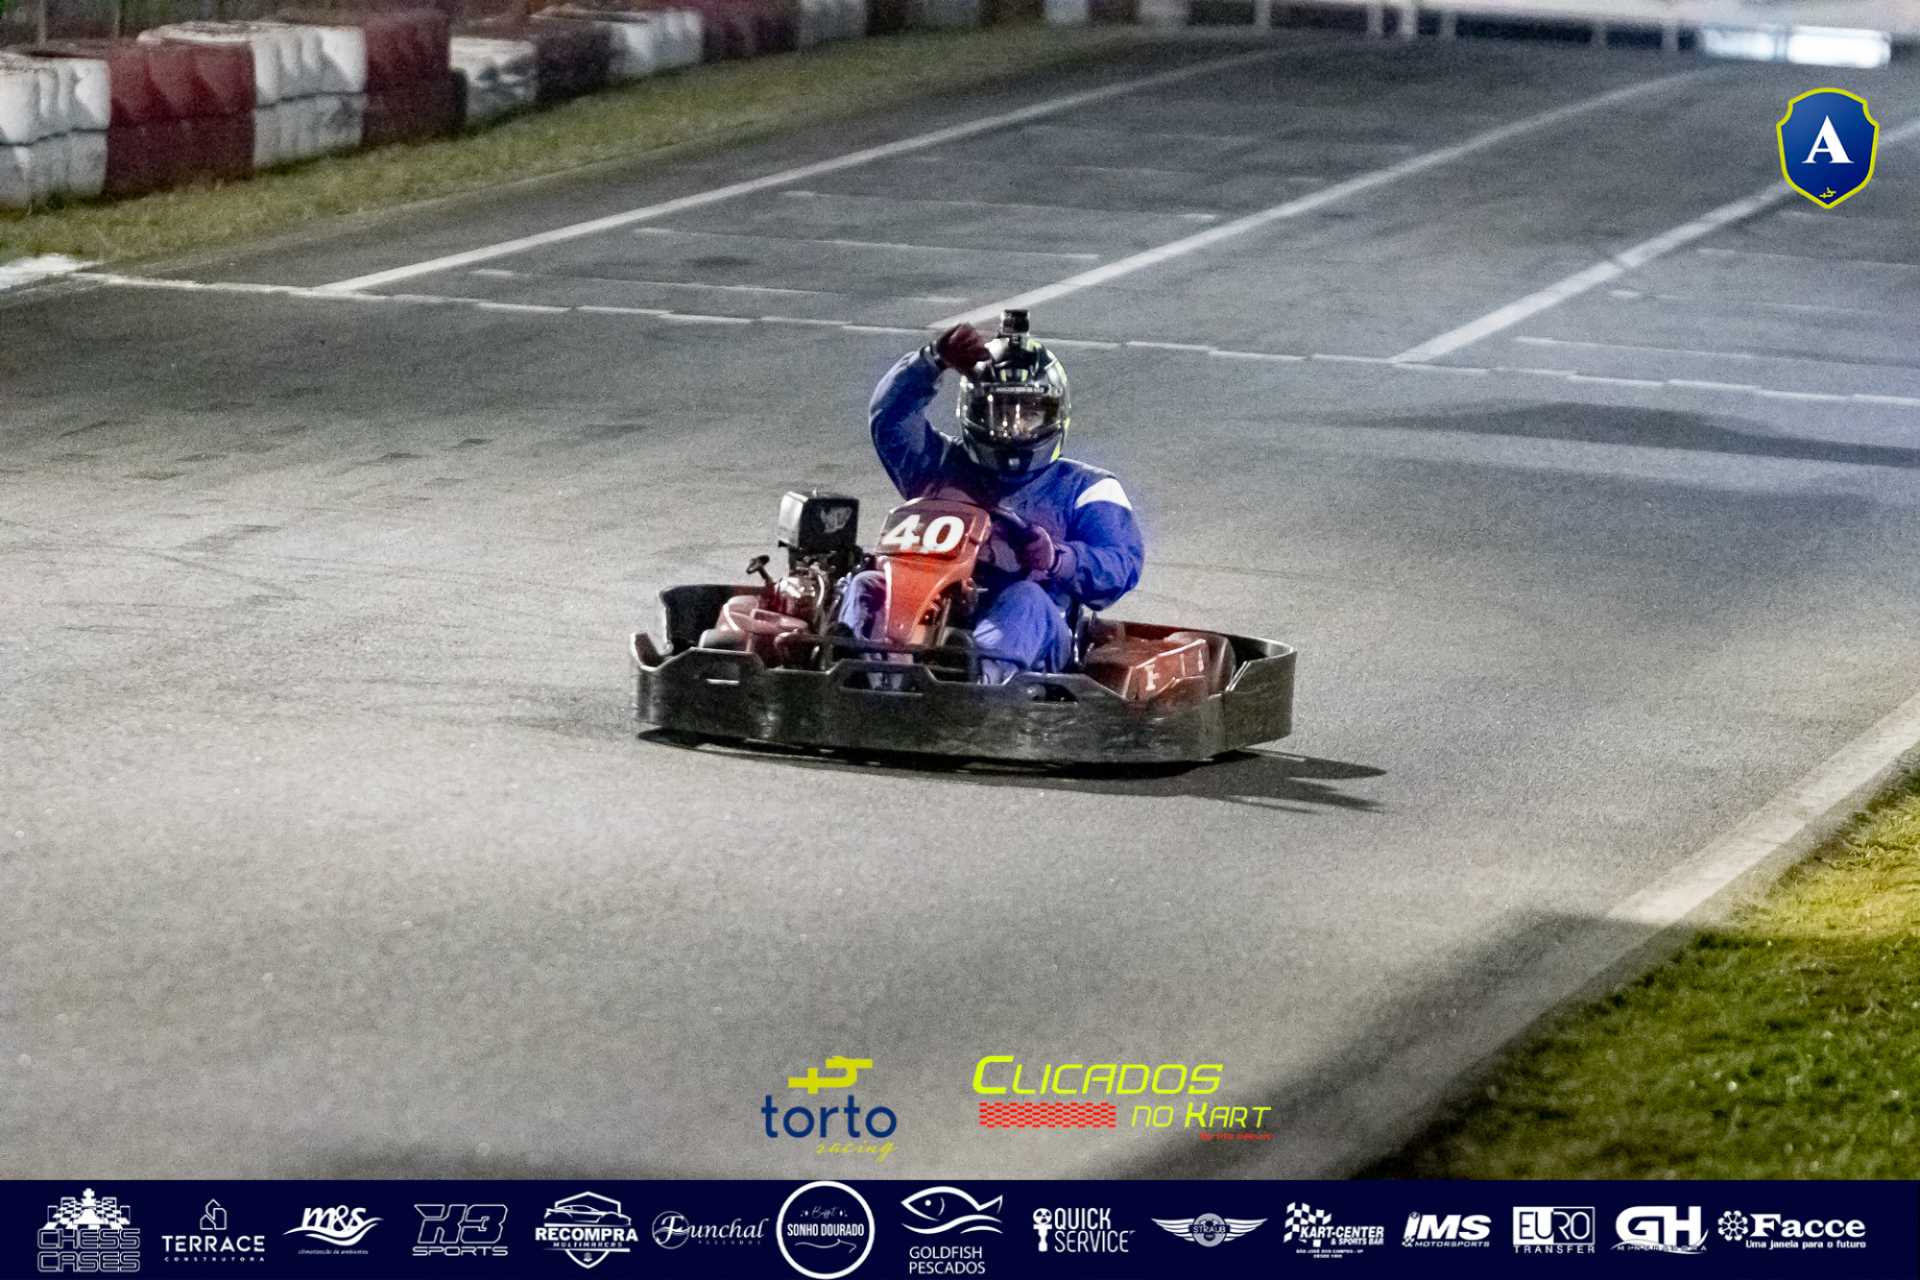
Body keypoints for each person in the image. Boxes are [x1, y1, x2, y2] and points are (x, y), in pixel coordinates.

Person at [837, 310, 1145, 682]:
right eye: (999, 413)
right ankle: (865, 672)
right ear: (974, 412)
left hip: (1035, 642)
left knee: (1026, 598)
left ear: (1053, 414)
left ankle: (973, 677)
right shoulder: (938, 465)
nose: (1012, 428)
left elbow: (1120, 565)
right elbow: (890, 418)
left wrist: (1058, 559)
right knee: (868, 586)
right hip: (933, 617)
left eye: (1028, 414)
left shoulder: (1086, 488)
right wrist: (932, 360)